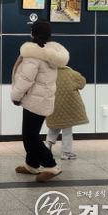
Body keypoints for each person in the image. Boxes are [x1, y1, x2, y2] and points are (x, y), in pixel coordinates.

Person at [11, 20, 69, 182]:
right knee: (32, 133)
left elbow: (25, 79)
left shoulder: (33, 54)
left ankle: (51, 166)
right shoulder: (51, 53)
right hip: (43, 100)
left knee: (30, 136)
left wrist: (15, 96)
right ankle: (32, 165)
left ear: (33, 33)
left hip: (34, 101)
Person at [46, 65, 88, 160]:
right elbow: (82, 83)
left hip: (53, 104)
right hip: (68, 106)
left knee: (54, 126)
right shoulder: (71, 73)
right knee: (67, 129)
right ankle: (66, 152)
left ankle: (47, 146)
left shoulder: (50, 73)